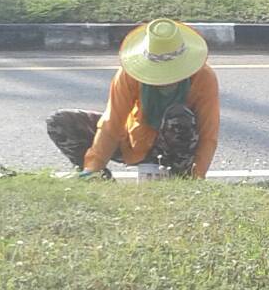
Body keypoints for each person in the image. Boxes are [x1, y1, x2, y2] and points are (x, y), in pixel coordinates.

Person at [46, 18, 220, 179]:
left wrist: (196, 176)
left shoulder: (203, 77)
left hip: (176, 148)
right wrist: (93, 167)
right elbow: (112, 123)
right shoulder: (129, 75)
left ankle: (180, 178)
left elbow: (208, 133)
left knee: (179, 115)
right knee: (61, 121)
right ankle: (97, 180)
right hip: (136, 142)